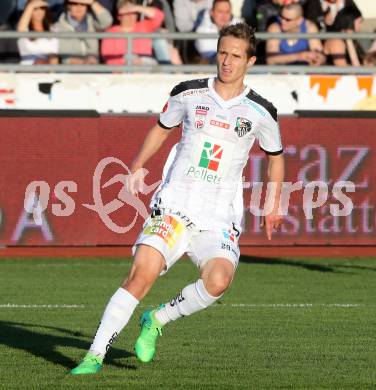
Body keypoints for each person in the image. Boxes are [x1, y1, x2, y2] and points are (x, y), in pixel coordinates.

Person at [70, 22, 284, 375]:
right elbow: (161, 128)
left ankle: (156, 319)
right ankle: (93, 355)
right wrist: (137, 166)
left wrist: (275, 202)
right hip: (175, 207)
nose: (226, 62)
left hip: (218, 217)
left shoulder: (261, 112)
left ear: (251, 61)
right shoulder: (188, 93)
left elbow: (276, 156)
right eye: (222, 53)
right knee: (141, 274)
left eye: (235, 56)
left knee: (218, 281)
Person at [101, 0, 164, 65]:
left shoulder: (144, 26)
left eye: (133, 12)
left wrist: (136, 7)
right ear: (119, 16)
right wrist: (126, 62)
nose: (130, 15)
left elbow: (159, 16)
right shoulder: (111, 32)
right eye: (127, 13)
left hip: (145, 68)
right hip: (123, 70)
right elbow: (108, 58)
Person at [52, 0, 112, 64]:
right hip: (70, 71)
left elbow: (107, 21)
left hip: (93, 69)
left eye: (83, 4)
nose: (79, 7)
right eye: (75, 4)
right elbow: (64, 57)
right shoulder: (58, 27)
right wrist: (83, 62)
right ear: (68, 6)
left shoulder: (92, 22)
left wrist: (92, 2)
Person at [17, 0, 59, 65]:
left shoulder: (53, 29)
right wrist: (31, 5)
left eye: (42, 8)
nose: (39, 11)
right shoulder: (24, 28)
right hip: (27, 70)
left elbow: (54, 55)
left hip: (47, 69)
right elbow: (21, 29)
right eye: (35, 8)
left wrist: (51, 71)